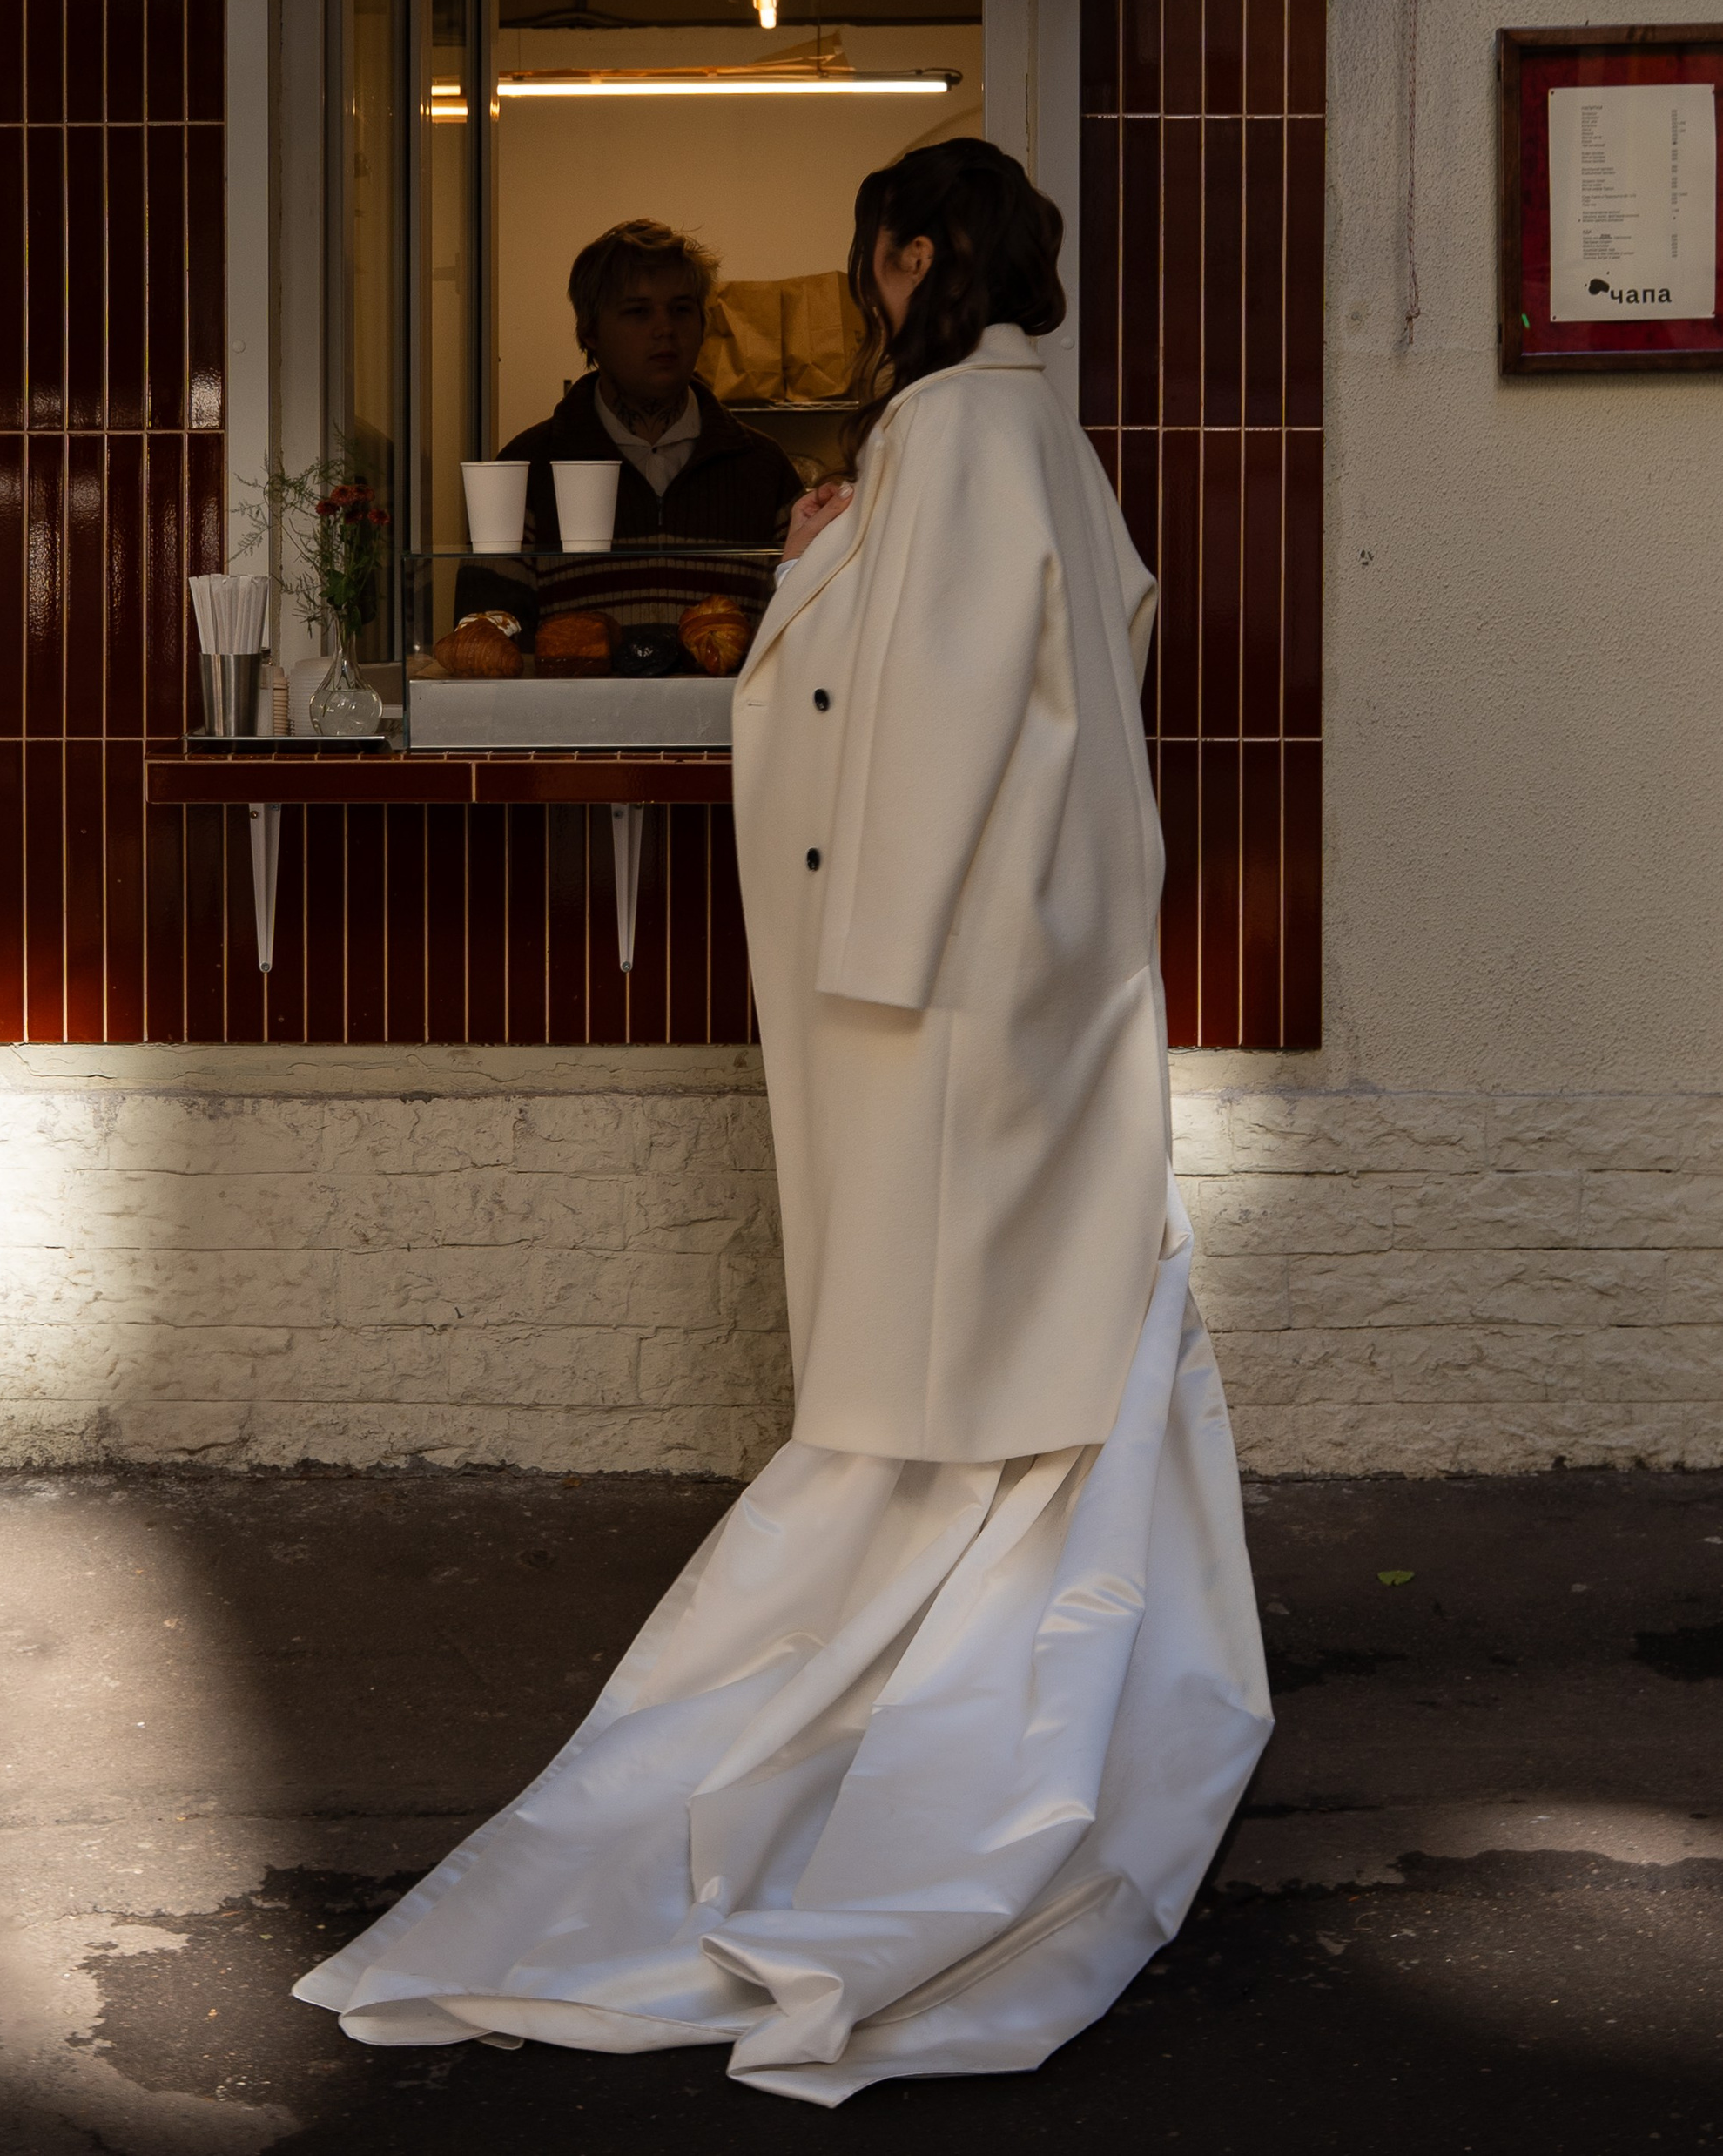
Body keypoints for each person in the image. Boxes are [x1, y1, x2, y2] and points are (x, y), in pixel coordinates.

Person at [298, 139, 1270, 2102]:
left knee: (941, 1380)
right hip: (1047, 985)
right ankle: (1011, 1695)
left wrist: (873, 954)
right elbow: (1061, 669)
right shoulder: (1034, 439)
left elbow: (893, 715)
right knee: (1033, 1364)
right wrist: (835, 550)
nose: (854, 289)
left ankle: (922, 1735)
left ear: (910, 253)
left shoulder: (947, 433)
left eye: (864, 255)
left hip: (947, 996)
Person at [490, 218, 800, 631]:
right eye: (637, 312)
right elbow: (486, 652)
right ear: (590, 332)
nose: (665, 330)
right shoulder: (528, 468)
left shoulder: (763, 468)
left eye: (681, 309)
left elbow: (805, 635)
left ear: (703, 324)